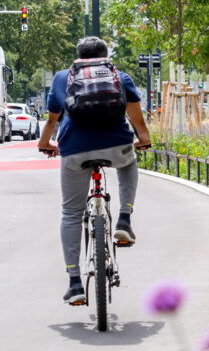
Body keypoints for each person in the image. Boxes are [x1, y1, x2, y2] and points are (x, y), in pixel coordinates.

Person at [37, 37, 151, 306]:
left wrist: (45, 144)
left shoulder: (62, 78)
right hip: (116, 146)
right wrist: (144, 140)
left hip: (75, 151)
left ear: (78, 56)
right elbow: (136, 119)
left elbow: (52, 119)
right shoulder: (119, 76)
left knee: (71, 213)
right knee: (128, 160)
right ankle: (124, 218)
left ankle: (75, 282)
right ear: (105, 56)